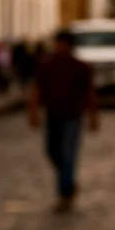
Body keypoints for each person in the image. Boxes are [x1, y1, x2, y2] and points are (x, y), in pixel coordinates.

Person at [27, 29, 98, 213]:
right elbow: (36, 90)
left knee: (68, 154)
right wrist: (33, 112)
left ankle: (64, 193)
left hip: (73, 116)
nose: (60, 47)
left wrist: (93, 116)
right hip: (53, 115)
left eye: (63, 44)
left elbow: (89, 92)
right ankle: (68, 182)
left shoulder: (81, 67)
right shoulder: (47, 66)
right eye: (58, 44)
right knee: (51, 151)